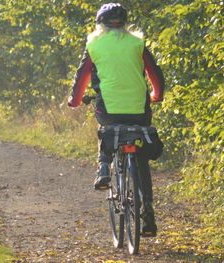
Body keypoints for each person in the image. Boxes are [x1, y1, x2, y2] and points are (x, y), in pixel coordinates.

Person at [68, 3, 165, 237]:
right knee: (140, 156)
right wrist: (156, 96)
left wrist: (74, 100)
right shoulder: (137, 43)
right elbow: (156, 76)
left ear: (99, 24)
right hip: (139, 110)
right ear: (125, 23)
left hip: (109, 109)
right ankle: (148, 213)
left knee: (106, 128)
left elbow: (82, 78)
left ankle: (103, 165)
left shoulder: (94, 45)